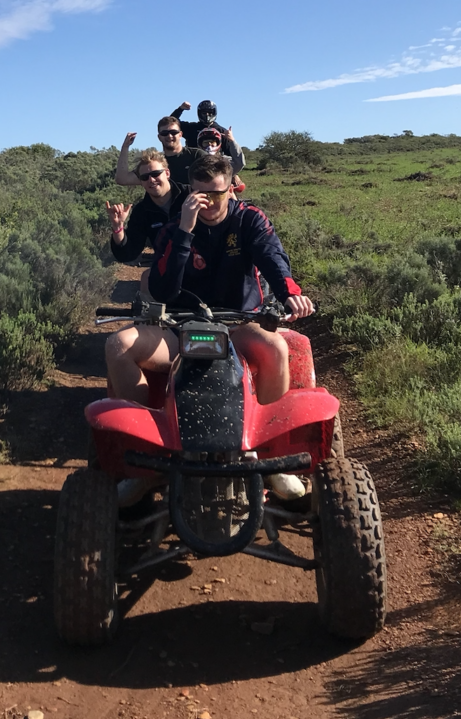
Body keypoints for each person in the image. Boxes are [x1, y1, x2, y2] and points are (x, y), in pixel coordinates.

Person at [104, 152, 315, 498]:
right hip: (178, 325)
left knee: (276, 347)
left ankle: (270, 459)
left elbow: (272, 256)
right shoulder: (175, 227)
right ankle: (147, 458)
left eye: (217, 194)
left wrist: (290, 294)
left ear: (232, 189)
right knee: (119, 345)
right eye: (199, 195)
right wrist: (185, 232)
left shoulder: (249, 220)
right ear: (189, 194)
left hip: (238, 322)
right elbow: (162, 288)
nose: (208, 203)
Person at [106, 149, 189, 265]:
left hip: (201, 263)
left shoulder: (189, 195)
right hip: (169, 269)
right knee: (147, 279)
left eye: (156, 174)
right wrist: (118, 229)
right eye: (145, 177)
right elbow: (127, 254)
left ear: (167, 173)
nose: (151, 180)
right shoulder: (142, 211)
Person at [115, 117, 200, 188]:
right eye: (164, 133)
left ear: (180, 134)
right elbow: (122, 179)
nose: (169, 136)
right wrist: (125, 147)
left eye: (173, 132)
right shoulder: (154, 163)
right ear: (159, 137)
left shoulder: (197, 156)